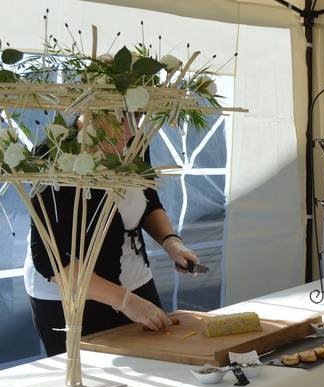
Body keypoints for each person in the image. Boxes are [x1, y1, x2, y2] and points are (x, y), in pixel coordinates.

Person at [24, 113, 200, 356]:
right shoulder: (55, 156)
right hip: (72, 296)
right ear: (92, 113)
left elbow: (147, 197)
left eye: (137, 119)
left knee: (157, 360)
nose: (131, 131)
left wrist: (171, 242)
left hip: (134, 279)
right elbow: (50, 261)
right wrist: (126, 302)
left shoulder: (133, 142)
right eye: (123, 120)